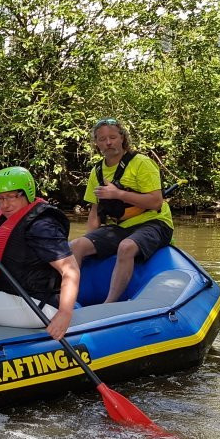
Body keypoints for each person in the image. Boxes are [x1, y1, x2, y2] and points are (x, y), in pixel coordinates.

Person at [0, 167, 79, 341]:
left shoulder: (42, 226)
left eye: (11, 197)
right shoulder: (3, 215)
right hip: (8, 294)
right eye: (0, 198)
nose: (5, 204)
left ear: (27, 193)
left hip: (37, 304)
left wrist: (64, 314)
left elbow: (71, 271)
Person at [69, 118, 174, 303]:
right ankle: (69, 300)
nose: (108, 143)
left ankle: (109, 303)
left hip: (154, 223)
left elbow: (156, 202)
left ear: (122, 138)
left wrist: (118, 194)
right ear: (97, 143)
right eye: (102, 139)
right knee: (76, 246)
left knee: (126, 247)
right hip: (120, 227)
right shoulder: (97, 171)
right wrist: (91, 241)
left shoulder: (142, 163)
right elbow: (95, 211)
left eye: (112, 137)